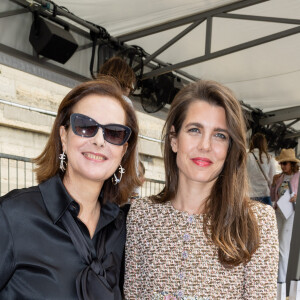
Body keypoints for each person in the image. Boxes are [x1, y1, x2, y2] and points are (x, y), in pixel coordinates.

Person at [124, 79, 278, 299]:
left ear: (229, 148)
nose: (205, 145)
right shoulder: (141, 215)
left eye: (219, 135)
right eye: (195, 130)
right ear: (174, 139)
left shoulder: (257, 222)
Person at [0, 77, 139, 299]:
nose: (99, 140)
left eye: (113, 133)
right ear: (64, 136)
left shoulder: (123, 229)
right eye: (86, 126)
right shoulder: (12, 215)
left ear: (123, 151)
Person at [271, 148, 299, 284]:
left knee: (283, 247)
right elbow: (273, 197)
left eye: (285, 163)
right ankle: (278, 278)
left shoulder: (298, 176)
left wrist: (297, 198)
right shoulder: (280, 177)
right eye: (281, 163)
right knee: (276, 245)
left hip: (291, 214)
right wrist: (272, 184)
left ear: (292, 164)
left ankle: (281, 281)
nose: (282, 166)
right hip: (279, 212)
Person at [247, 132, 276, 205]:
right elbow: (272, 179)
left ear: (252, 143)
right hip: (265, 195)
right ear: (264, 144)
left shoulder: (246, 157)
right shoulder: (269, 158)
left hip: (249, 195)